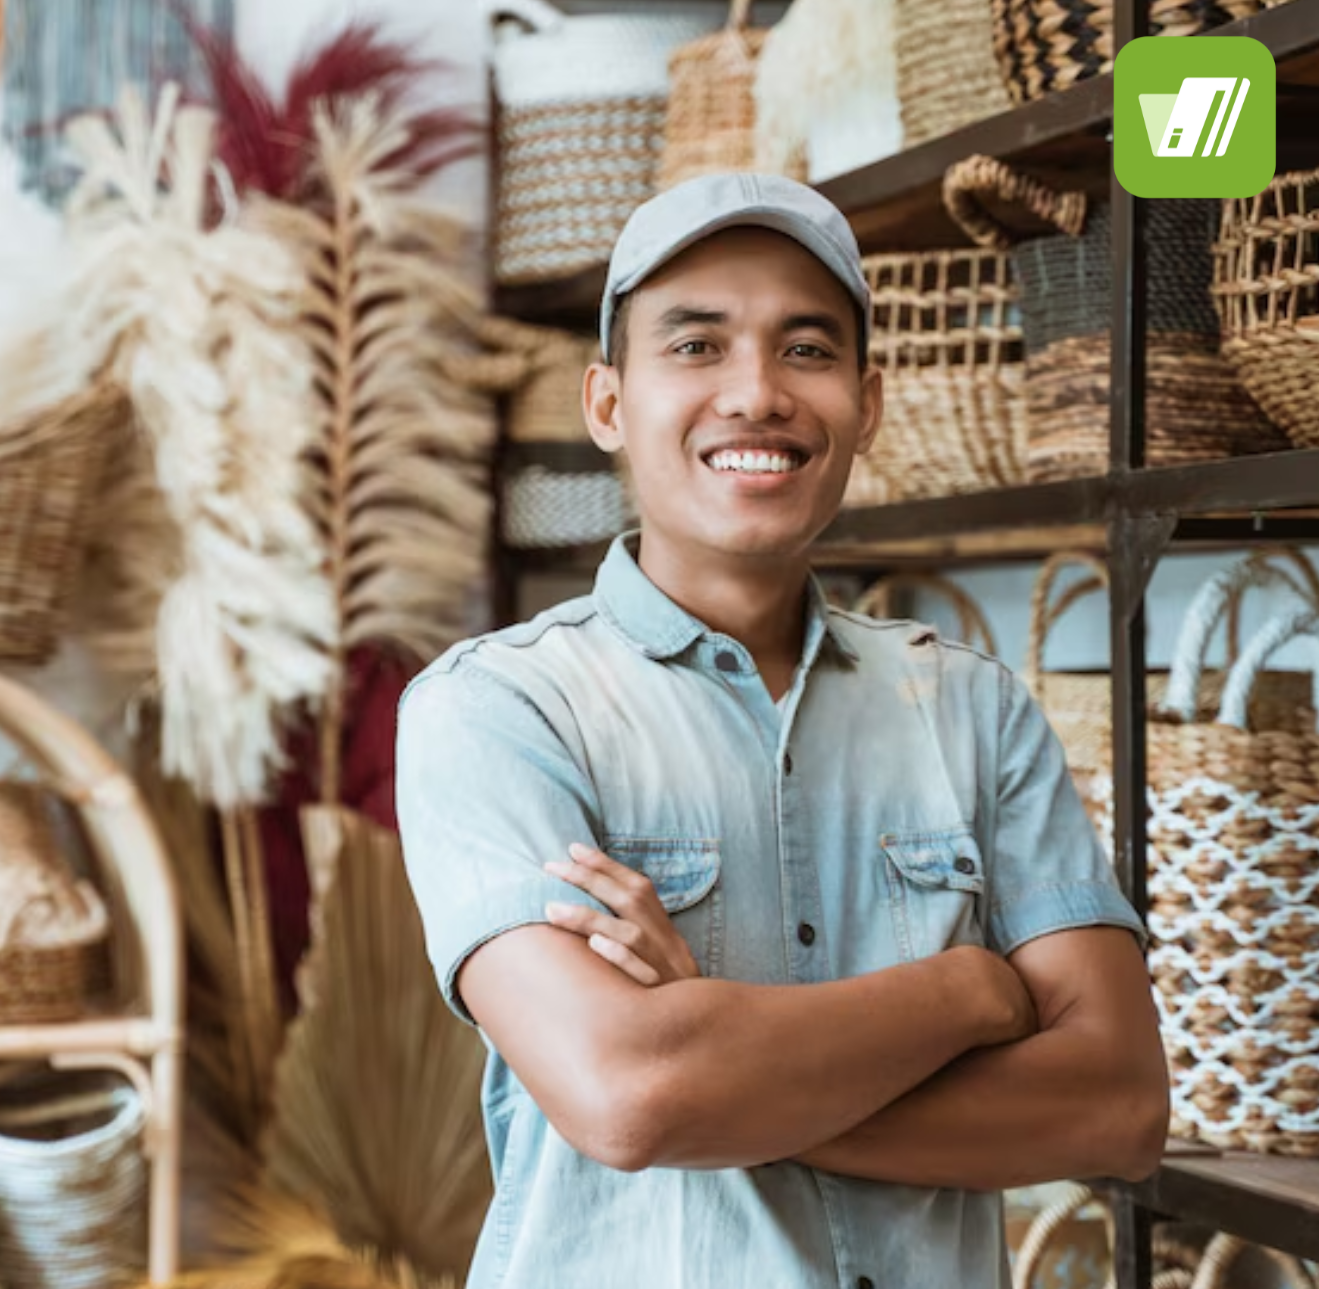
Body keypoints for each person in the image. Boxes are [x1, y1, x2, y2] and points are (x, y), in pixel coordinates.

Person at [394, 173, 1168, 1289]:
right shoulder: (498, 708)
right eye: (696, 347)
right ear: (606, 403)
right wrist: (967, 995)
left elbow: (1116, 1106)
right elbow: (629, 1094)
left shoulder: (972, 708)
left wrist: (728, 1071)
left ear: (869, 398)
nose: (755, 393)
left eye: (804, 350)